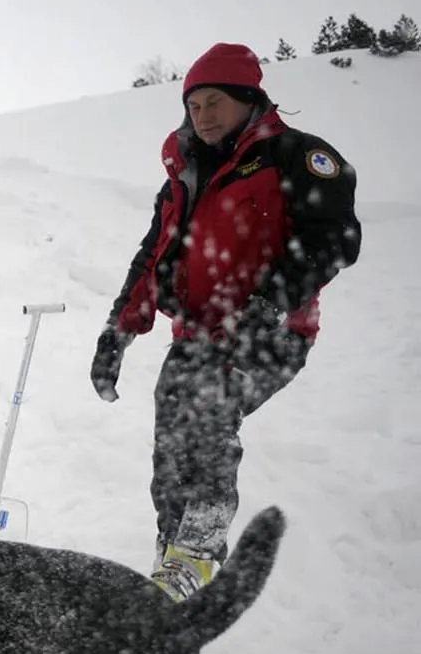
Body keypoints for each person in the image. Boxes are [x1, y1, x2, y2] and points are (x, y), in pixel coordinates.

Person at [90, 42, 361, 601]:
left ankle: (198, 551)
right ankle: (173, 563)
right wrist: (118, 331)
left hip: (272, 330)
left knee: (209, 411)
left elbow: (333, 238)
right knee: (171, 437)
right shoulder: (182, 177)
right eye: (194, 106)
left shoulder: (296, 155)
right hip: (197, 332)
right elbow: (153, 257)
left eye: (215, 102)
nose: (203, 115)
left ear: (248, 100)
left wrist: (268, 303)